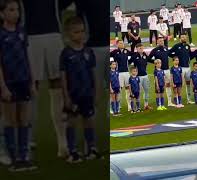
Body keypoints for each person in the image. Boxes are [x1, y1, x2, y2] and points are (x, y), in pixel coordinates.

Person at [22, 0, 68, 158]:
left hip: (53, 35)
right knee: (31, 88)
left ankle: (62, 141)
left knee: (58, 86)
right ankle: (27, 139)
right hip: (30, 36)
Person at [0, 0, 37, 171]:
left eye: (17, 10)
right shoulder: (1, 34)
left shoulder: (22, 33)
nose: (15, 13)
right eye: (11, 10)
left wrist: (32, 81)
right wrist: (3, 87)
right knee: (10, 120)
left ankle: (24, 156)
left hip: (23, 81)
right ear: (2, 14)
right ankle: (13, 158)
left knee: (24, 119)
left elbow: (26, 58)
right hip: (8, 82)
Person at [60, 17, 101, 163]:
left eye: (82, 31)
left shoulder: (89, 51)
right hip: (73, 94)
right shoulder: (66, 54)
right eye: (76, 32)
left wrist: (96, 93)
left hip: (87, 93)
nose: (80, 35)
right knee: (72, 122)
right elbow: (63, 77)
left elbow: (93, 74)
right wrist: (66, 97)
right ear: (69, 34)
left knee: (89, 120)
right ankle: (73, 151)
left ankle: (91, 148)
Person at [149, 38, 175, 107]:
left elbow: (170, 55)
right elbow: (149, 58)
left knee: (168, 85)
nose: (162, 42)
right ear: (157, 42)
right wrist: (155, 62)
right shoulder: (154, 50)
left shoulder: (165, 49)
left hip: (166, 70)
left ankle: (169, 102)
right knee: (158, 87)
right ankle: (159, 103)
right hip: (158, 72)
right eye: (160, 41)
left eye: (162, 41)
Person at [169, 34, 194, 104]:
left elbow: (190, 55)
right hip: (180, 69)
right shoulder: (176, 46)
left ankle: (189, 99)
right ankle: (176, 99)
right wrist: (175, 57)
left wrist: (188, 60)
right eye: (183, 37)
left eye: (185, 37)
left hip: (188, 67)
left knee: (188, 83)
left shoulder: (187, 46)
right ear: (180, 38)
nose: (184, 38)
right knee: (179, 84)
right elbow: (169, 52)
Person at [129, 43, 153, 110]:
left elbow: (150, 60)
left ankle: (146, 105)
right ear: (136, 49)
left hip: (145, 76)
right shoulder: (134, 56)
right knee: (137, 91)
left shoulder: (145, 54)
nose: (141, 49)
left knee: (146, 90)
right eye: (140, 48)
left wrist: (155, 61)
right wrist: (132, 72)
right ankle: (136, 106)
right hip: (137, 77)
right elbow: (128, 63)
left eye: (142, 48)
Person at [110, 40, 132, 111]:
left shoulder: (126, 51)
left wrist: (130, 63)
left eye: (122, 43)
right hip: (118, 73)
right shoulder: (114, 52)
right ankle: (118, 105)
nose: (122, 44)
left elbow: (133, 56)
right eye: (120, 43)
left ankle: (129, 105)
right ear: (117, 44)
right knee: (118, 90)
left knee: (128, 89)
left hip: (127, 73)